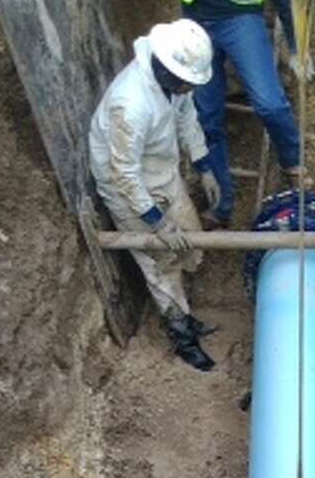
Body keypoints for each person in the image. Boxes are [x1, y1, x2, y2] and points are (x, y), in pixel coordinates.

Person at [89, 19, 223, 372]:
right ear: (165, 69)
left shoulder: (174, 85)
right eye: (185, 82)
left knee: (190, 239)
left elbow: (187, 118)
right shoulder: (130, 104)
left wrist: (203, 163)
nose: (187, 88)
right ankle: (182, 335)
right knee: (160, 260)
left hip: (160, 167)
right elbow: (124, 175)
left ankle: (184, 310)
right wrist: (156, 222)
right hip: (128, 184)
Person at [176, 0, 305, 229]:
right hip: (193, 17)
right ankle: (221, 205)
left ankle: (293, 164)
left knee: (270, 104)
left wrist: (296, 47)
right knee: (206, 117)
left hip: (239, 18)